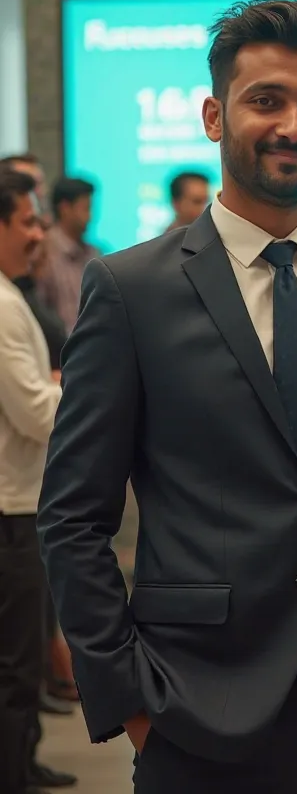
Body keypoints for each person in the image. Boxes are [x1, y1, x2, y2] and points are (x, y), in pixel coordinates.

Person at [37, 0, 297, 794]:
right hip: (198, 711)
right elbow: (74, 516)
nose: (294, 124)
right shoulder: (131, 289)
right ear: (215, 114)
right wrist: (131, 702)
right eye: (267, 100)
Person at [0, 168, 64, 794]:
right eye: (26, 221)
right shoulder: (0, 303)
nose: (37, 233)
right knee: (17, 664)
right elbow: (36, 413)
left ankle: (22, 762)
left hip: (22, 501)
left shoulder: (11, 293)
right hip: (11, 508)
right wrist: (76, 389)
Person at [38, 177, 99, 334]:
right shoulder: (43, 253)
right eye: (85, 209)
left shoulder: (94, 254)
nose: (90, 217)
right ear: (65, 208)